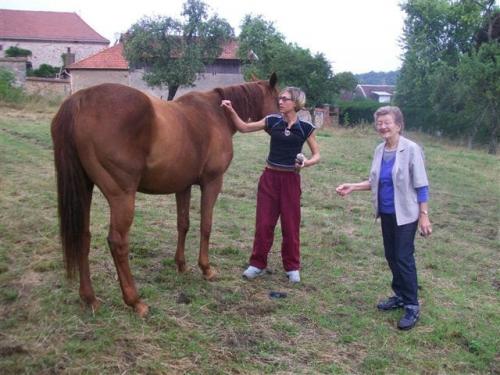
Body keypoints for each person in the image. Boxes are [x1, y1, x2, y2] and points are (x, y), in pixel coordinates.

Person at [335, 106, 432, 330]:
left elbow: (421, 184)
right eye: (379, 123)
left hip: (407, 214)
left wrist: (424, 216)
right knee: (391, 255)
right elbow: (375, 182)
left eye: (387, 122)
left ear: (398, 124)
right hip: (387, 212)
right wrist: (352, 186)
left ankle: (412, 305)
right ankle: (399, 295)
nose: (383, 127)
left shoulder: (411, 149)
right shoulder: (380, 149)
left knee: (403, 257)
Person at [221, 87, 320, 283]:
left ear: (296, 103)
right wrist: (231, 110)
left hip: (291, 180)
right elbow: (244, 127)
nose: (280, 101)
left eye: (285, 99)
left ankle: (292, 267)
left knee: (291, 226)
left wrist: (307, 162)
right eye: (280, 98)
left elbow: (317, 154)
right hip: (269, 178)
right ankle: (257, 264)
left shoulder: (306, 127)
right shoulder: (272, 121)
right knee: (264, 223)